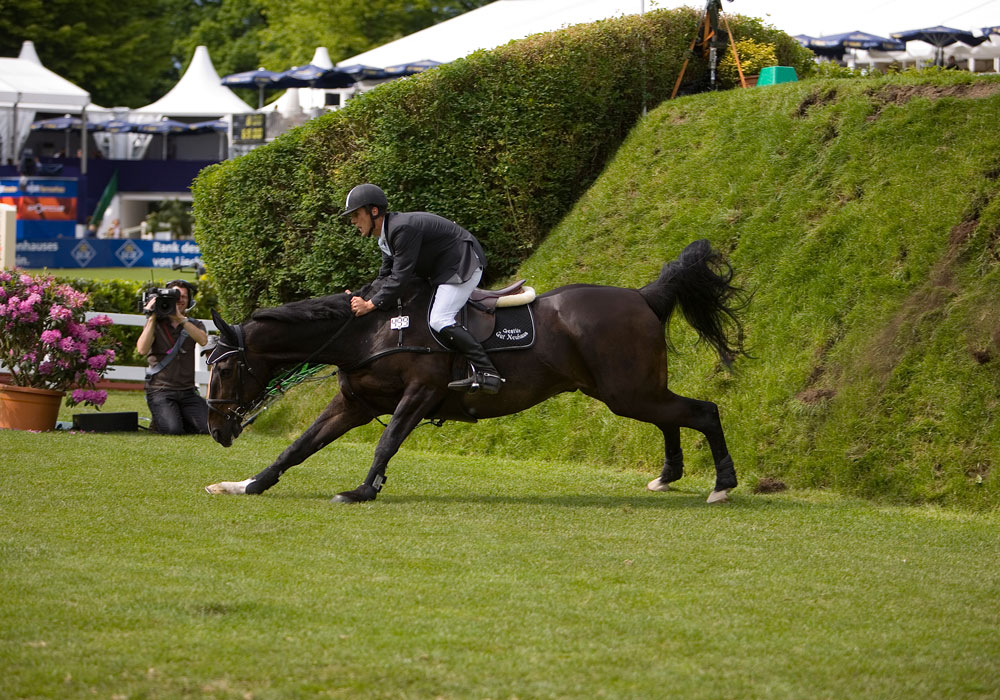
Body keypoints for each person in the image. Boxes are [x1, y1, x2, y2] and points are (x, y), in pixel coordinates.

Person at [342, 183, 504, 394]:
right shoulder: (387, 235)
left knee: (439, 319)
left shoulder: (401, 229)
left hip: (462, 265)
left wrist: (371, 305)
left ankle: (488, 372)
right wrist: (360, 297)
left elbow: (400, 278)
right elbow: (385, 276)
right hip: (444, 270)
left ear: (374, 211)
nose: (353, 221)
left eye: (356, 214)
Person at [136, 280, 210, 434]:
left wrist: (180, 319)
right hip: (160, 390)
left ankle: (176, 417)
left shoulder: (194, 324)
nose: (179, 300)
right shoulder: (155, 324)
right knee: (173, 430)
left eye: (183, 296)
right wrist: (152, 316)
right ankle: (164, 420)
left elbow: (203, 340)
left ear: (189, 301)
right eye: (175, 295)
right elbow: (142, 349)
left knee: (206, 428)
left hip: (187, 391)